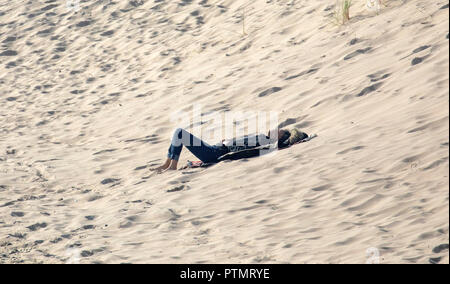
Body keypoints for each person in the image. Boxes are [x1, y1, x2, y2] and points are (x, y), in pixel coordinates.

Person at [150, 128, 308, 173]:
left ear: (279, 138)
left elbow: (244, 150)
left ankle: (171, 166)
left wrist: (286, 141)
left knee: (179, 133)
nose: (275, 130)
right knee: (178, 133)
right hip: (216, 148)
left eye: (279, 132)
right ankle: (167, 164)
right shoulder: (261, 137)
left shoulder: (264, 142)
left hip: (214, 153)